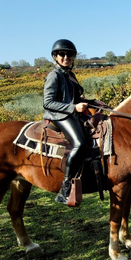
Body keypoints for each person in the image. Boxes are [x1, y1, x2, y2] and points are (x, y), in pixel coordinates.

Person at [42, 39, 101, 204]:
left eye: (69, 54)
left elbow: (75, 98)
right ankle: (66, 186)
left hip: (71, 113)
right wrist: (74, 108)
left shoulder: (69, 74)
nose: (66, 57)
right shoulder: (54, 75)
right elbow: (47, 103)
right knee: (80, 143)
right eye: (62, 54)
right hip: (59, 115)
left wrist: (92, 102)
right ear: (55, 57)